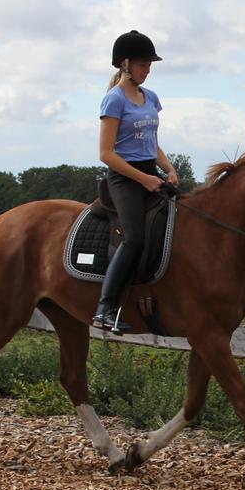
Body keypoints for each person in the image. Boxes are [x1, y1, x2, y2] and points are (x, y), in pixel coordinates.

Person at [92, 29, 180, 332]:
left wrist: (167, 167)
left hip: (149, 173)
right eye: (143, 64)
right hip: (124, 178)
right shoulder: (113, 100)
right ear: (125, 64)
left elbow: (151, 141)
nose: (148, 69)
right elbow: (106, 153)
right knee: (134, 238)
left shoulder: (150, 98)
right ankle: (105, 307)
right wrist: (143, 179)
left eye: (150, 65)